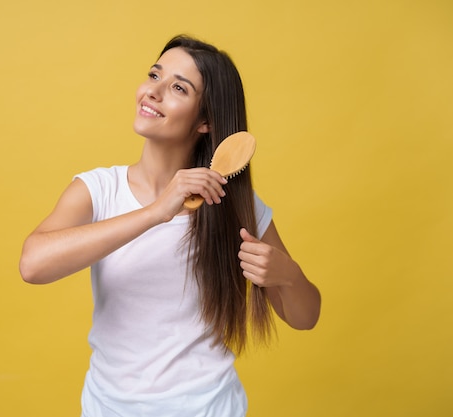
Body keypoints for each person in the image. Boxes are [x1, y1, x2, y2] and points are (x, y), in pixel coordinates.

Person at [19, 34, 321, 417]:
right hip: (108, 408)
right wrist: (156, 212)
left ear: (206, 121)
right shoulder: (97, 190)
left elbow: (305, 318)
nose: (152, 92)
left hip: (210, 408)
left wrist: (288, 276)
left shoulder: (235, 207)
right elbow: (32, 265)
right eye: (154, 75)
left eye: (178, 87)